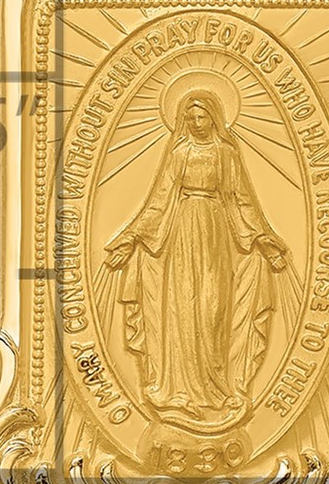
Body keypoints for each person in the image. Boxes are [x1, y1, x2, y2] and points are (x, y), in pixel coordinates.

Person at [104, 89, 288, 419]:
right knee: (183, 310)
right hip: (181, 233)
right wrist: (130, 238)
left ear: (214, 118)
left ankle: (217, 389)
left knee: (212, 308)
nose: (197, 122)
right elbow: (160, 199)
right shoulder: (180, 153)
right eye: (191, 118)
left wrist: (264, 240)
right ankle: (179, 392)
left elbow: (243, 199)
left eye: (202, 117)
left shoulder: (226, 154)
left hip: (217, 234)